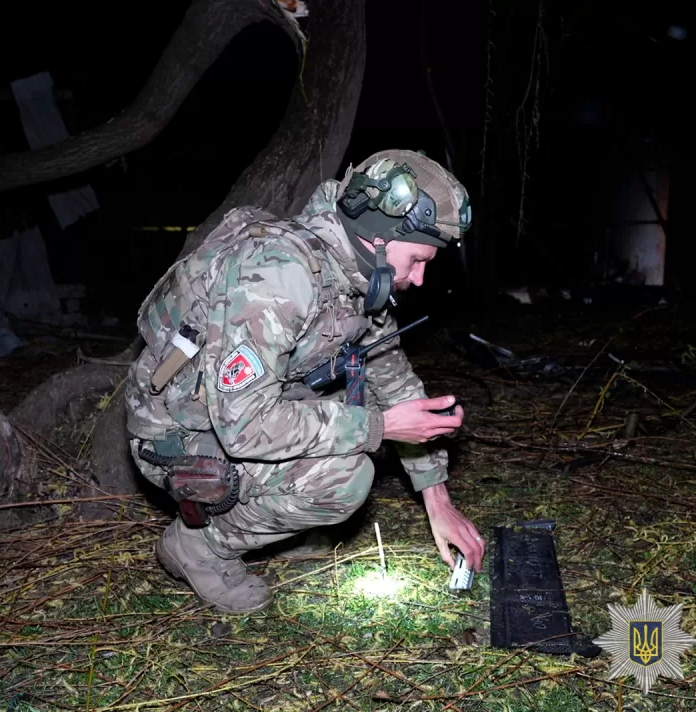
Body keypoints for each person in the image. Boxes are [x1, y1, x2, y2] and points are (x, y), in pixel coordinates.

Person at [124, 149, 485, 613]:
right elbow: (245, 427)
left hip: (236, 410)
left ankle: (277, 518)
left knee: (355, 405)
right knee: (347, 476)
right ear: (376, 236)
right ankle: (198, 548)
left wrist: (437, 498)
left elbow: (394, 381)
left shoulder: (358, 276)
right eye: (416, 259)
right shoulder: (279, 276)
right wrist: (378, 427)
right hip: (178, 434)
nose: (417, 279)